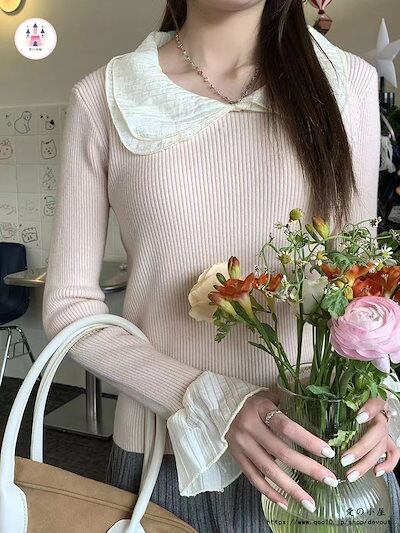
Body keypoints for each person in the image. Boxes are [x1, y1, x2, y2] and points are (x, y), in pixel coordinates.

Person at [42, 0, 400, 531]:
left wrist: (379, 401)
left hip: (326, 462)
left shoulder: (347, 84)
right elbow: (69, 308)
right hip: (167, 463)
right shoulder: (106, 98)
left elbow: (360, 288)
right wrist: (209, 401)